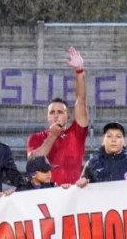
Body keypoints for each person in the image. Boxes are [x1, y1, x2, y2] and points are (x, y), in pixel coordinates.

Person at [27, 47, 90, 185]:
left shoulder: (76, 133)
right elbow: (33, 162)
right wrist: (52, 136)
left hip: (73, 195)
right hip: (47, 196)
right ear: (47, 117)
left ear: (68, 117)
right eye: (52, 112)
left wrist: (79, 71)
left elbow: (81, 100)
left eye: (60, 112)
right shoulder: (36, 138)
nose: (55, 115)